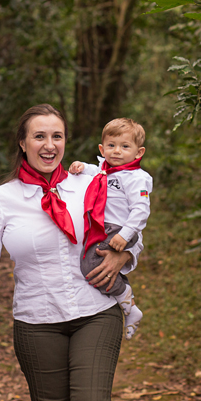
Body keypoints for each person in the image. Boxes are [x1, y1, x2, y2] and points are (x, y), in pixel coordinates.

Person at [0, 104, 143, 401]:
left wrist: (126, 254)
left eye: (57, 136)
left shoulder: (91, 182)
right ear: (22, 143)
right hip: (36, 321)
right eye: (39, 136)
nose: (50, 145)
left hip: (96, 311)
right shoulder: (0, 199)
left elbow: (129, 226)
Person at [69, 117, 152, 339]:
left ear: (138, 152)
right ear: (102, 148)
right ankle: (128, 303)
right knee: (97, 263)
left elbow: (141, 211)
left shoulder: (135, 178)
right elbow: (95, 172)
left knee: (91, 266)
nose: (117, 151)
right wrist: (81, 167)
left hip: (121, 230)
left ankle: (128, 305)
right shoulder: (105, 170)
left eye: (125, 146)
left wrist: (124, 236)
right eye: (111, 145)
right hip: (106, 228)